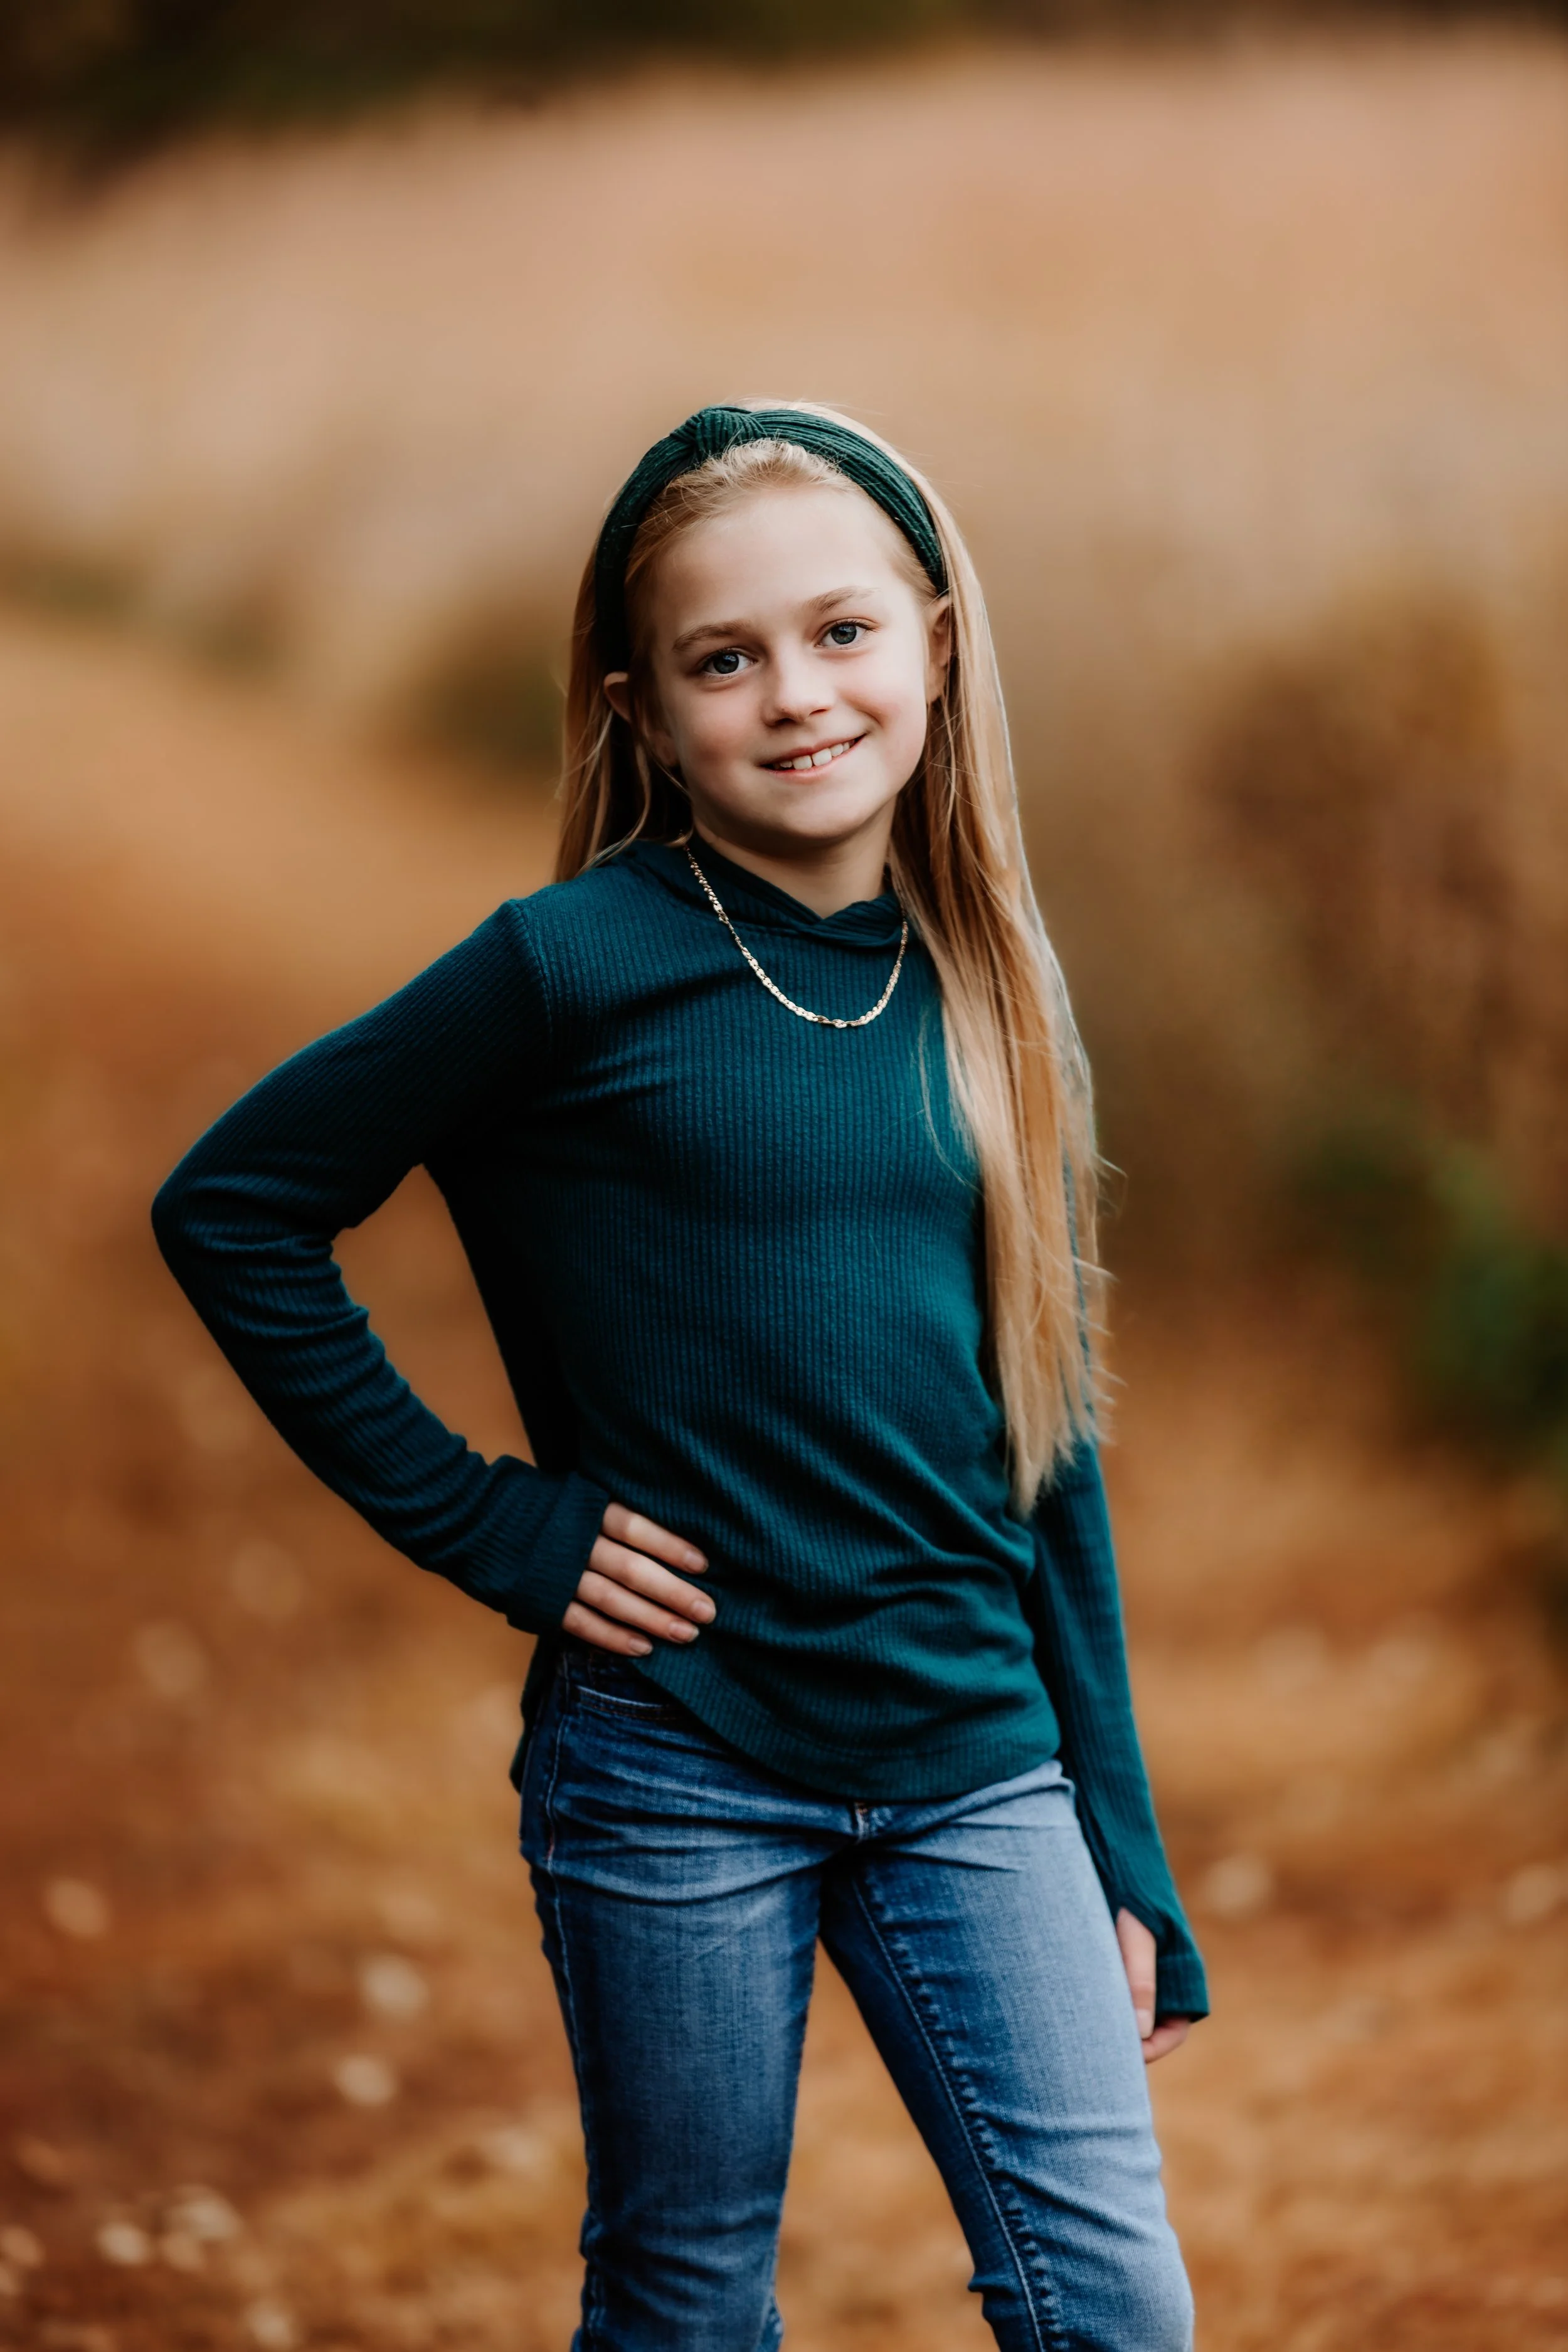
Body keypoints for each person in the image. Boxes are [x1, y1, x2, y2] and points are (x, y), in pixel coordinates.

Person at [152, 402, 1206, 2352]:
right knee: (684, 2304)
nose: (796, 695)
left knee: (1114, 2306)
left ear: (935, 643)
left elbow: (1044, 1449)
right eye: (726, 659)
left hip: (977, 1754)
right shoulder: (569, 968)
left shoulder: (998, 985)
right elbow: (234, 1207)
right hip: (675, 1763)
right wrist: (495, 1520)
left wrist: (1116, 1837)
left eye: (841, 632)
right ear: (641, 708)